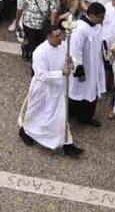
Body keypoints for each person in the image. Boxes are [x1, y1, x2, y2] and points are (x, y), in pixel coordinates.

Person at [19, 26, 82, 157]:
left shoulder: (63, 45)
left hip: (58, 88)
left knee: (60, 115)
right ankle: (26, 131)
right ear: (48, 37)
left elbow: (70, 57)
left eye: (61, 35)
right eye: (57, 36)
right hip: (43, 89)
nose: (61, 39)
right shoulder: (40, 52)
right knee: (36, 112)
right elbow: (41, 75)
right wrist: (61, 73)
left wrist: (73, 63)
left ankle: (67, 144)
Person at [68, 2, 107, 127]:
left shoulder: (97, 25)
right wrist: (79, 69)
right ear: (91, 15)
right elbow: (75, 50)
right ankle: (73, 114)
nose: (102, 19)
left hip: (95, 64)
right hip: (84, 66)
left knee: (91, 91)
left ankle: (87, 117)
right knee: (78, 91)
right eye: (100, 16)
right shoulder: (80, 28)